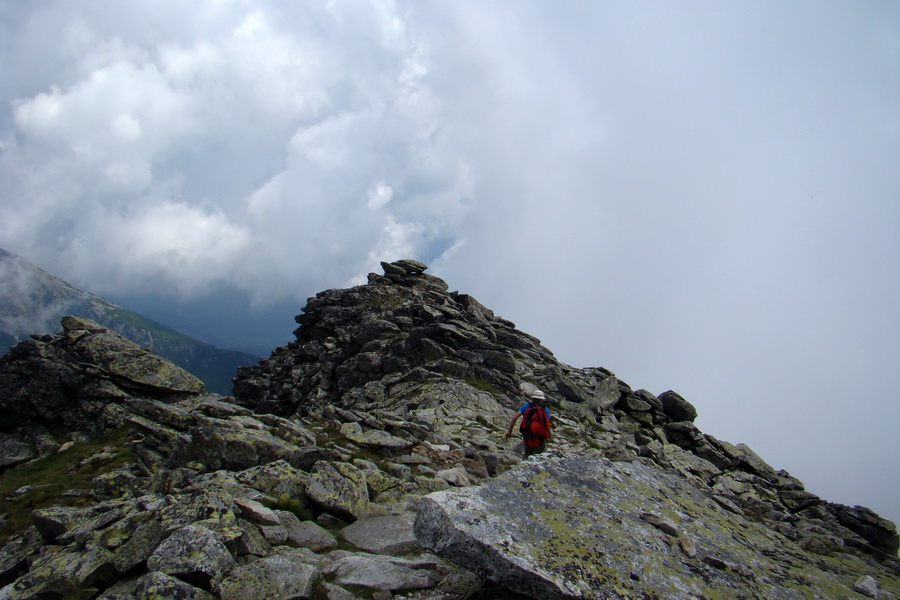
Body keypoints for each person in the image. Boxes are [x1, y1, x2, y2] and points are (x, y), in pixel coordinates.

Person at [505, 389, 552, 456]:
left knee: (527, 454)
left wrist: (509, 432)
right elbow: (547, 422)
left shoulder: (526, 406)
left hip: (527, 435)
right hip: (540, 437)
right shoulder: (545, 409)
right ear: (541, 399)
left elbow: (514, 418)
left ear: (533, 398)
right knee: (540, 456)